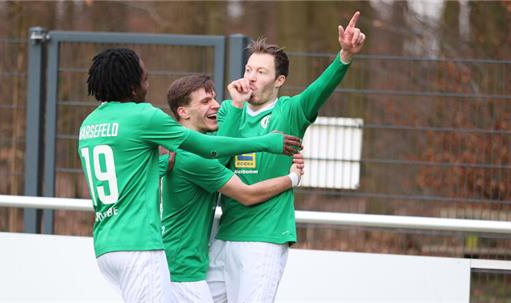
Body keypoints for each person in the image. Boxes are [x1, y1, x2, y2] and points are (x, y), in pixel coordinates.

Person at [78, 48, 301, 302]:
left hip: (105, 245)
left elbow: (133, 169)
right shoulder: (143, 117)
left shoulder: (89, 125)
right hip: (142, 247)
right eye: (144, 78)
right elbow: (209, 150)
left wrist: (164, 165)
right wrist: (269, 145)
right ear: (130, 86)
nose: (148, 85)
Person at [206, 11, 366, 302]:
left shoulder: (291, 111)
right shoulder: (231, 109)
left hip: (264, 238)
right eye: (249, 69)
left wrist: (344, 56)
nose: (251, 77)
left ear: (279, 80)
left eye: (261, 72)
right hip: (225, 234)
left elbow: (321, 89)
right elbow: (215, 160)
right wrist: (237, 107)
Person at [159, 74, 304, 303]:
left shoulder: (181, 150)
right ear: (183, 112)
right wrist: (292, 178)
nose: (216, 105)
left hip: (177, 267)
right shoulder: (192, 159)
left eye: (215, 98)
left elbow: (219, 150)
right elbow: (247, 194)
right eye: (206, 101)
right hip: (182, 274)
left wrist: (236, 104)